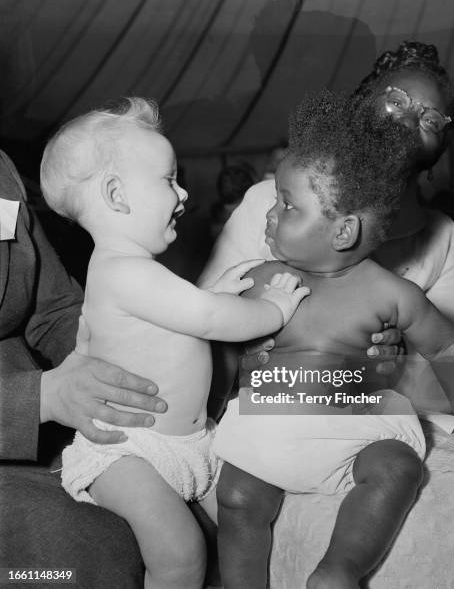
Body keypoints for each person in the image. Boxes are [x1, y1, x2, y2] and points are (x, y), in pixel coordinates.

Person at [214, 92, 454, 589]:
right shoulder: (257, 280)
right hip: (273, 423)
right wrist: (239, 355)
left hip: (357, 422)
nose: (270, 216)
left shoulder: (388, 293)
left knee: (398, 468)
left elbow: (448, 346)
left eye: (288, 206)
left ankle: (339, 569)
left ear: (343, 231)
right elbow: (210, 342)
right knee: (236, 497)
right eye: (275, 200)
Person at [40, 97, 310, 589]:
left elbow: (180, 316)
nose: (183, 193)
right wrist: (273, 309)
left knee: (241, 521)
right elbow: (205, 317)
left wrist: (214, 293)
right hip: (129, 450)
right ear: (117, 196)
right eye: (168, 180)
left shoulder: (136, 272)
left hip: (191, 444)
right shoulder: (124, 272)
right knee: (181, 553)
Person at [200, 41, 454, 419]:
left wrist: (394, 365)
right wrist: (246, 345)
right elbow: (200, 322)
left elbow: (450, 376)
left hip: (365, 429)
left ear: (442, 146)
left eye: (431, 120)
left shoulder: (443, 242)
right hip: (262, 422)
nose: (410, 122)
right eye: (397, 100)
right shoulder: (269, 201)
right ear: (363, 100)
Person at [0, 149, 174, 586]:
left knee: (173, 515)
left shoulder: (2, 167)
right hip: (25, 417)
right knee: (76, 559)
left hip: (50, 428)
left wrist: (125, 349)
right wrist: (41, 397)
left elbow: (54, 307)